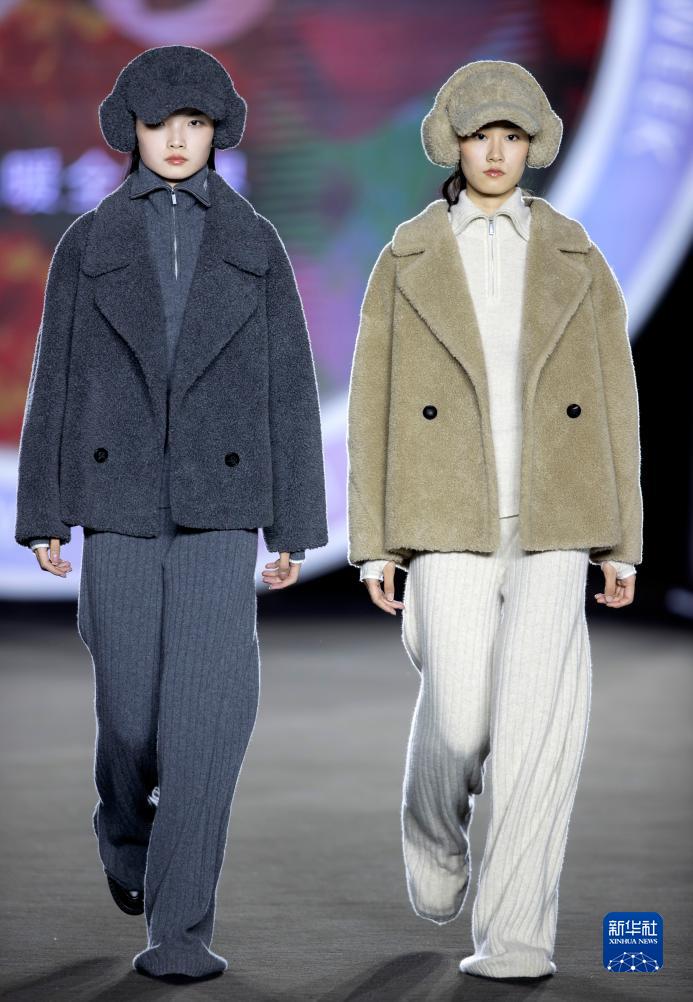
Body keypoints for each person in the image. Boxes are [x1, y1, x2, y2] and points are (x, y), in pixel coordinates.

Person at [15, 44, 328, 980]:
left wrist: (294, 526)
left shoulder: (254, 244)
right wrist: (43, 511)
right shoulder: (88, 243)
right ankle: (122, 824)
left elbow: (288, 391)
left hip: (220, 507)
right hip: (116, 504)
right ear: (132, 131)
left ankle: (180, 931)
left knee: (203, 725)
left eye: (195, 122)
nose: (179, 139)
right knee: (130, 719)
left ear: (219, 130)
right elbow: (53, 383)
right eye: (162, 123)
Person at [347, 59, 642, 981]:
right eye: (481, 135)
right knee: (458, 716)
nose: (495, 152)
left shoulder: (576, 256)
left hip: (557, 513)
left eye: (511, 135)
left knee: (535, 732)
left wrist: (622, 541)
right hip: (444, 511)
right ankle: (433, 826)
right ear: (453, 143)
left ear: (533, 145)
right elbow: (370, 405)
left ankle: (516, 938)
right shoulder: (406, 257)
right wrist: (373, 545)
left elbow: (616, 400)